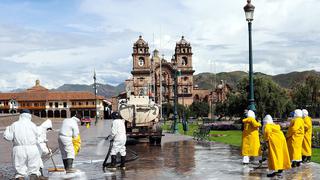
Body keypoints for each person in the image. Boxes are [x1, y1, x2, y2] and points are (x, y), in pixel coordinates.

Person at [3, 109, 41, 179]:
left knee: (20, 172)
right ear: (29, 116)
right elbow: (38, 136)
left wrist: (7, 130)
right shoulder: (33, 125)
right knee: (33, 170)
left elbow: (8, 137)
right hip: (32, 148)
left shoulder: (14, 125)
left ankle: (20, 177)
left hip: (19, 149)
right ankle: (33, 176)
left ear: (20, 116)